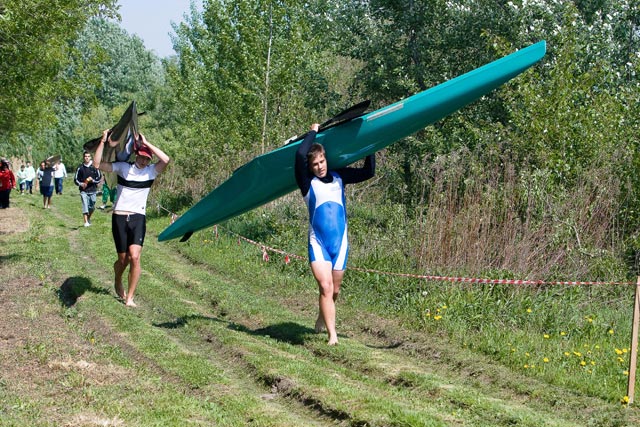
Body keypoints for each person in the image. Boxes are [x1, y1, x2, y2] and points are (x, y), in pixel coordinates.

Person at [295, 123, 375, 345]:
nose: (319, 167)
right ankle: (333, 336)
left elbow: (369, 172)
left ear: (326, 160)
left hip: (340, 245)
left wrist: (373, 143)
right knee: (325, 287)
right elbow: (300, 153)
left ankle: (322, 317)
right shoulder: (306, 184)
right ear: (310, 167)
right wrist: (313, 131)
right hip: (318, 243)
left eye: (322, 161)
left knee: (335, 290)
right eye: (315, 164)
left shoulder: (340, 177)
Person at [93, 129, 170, 307]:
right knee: (123, 260)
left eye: (147, 158)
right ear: (136, 155)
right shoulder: (123, 167)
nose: (143, 161)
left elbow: (166, 160)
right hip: (119, 217)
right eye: (141, 157)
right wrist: (103, 141)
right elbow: (97, 164)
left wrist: (146, 142)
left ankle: (130, 298)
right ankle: (118, 278)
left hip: (138, 218)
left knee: (134, 257)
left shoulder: (151, 172)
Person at [74, 152, 102, 227]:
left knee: (92, 206)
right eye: (85, 156)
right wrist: (81, 184)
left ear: (90, 157)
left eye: (88, 156)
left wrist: (93, 180)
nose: (87, 157)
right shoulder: (80, 168)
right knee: (85, 205)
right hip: (84, 191)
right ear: (83, 157)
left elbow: (99, 178)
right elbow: (76, 179)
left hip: (93, 190)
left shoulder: (94, 167)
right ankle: (85, 222)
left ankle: (88, 218)